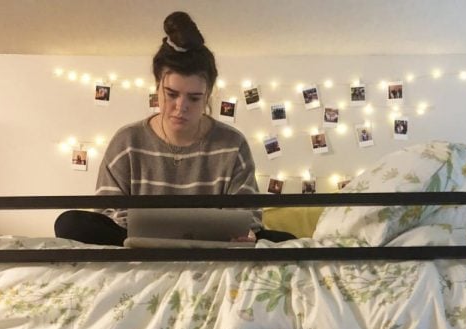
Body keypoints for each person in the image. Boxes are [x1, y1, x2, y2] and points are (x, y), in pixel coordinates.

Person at [55, 12, 294, 246]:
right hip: (135, 240)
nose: (181, 107)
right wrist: (149, 232)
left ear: (208, 95)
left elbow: (248, 216)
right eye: (171, 94)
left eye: (194, 98)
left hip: (212, 244)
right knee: (69, 223)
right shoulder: (127, 141)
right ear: (157, 87)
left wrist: (246, 234)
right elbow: (106, 212)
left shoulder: (232, 144)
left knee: (289, 242)